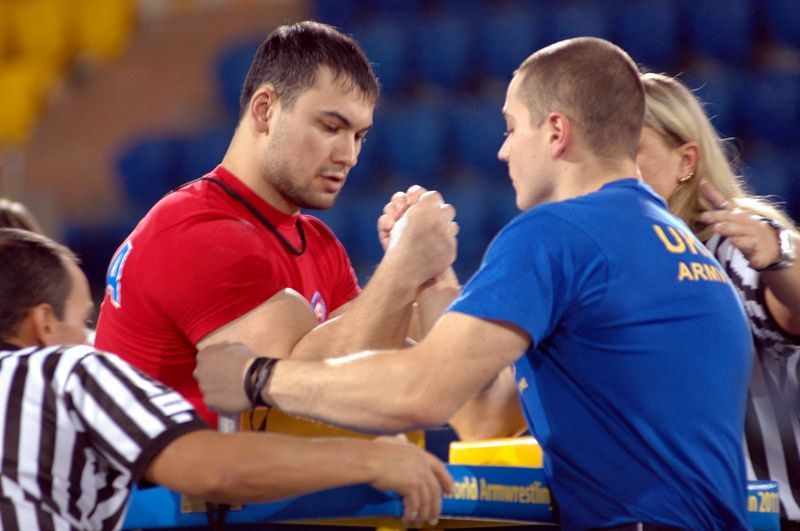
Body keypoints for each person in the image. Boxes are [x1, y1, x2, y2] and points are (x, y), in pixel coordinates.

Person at [194, 37, 755, 529]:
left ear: (556, 131)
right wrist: (435, 278)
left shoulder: (557, 234)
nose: (503, 150)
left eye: (512, 128)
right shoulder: (682, 249)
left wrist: (258, 376)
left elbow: (422, 393)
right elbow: (480, 415)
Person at [94, 20, 458, 425]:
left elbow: (388, 373)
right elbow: (301, 397)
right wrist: (404, 267)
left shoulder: (318, 242)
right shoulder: (195, 232)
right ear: (265, 110)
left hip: (260, 481)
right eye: (331, 127)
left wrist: (430, 272)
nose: (349, 155)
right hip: (165, 487)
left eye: (359, 136)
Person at [0, 227, 452, 530]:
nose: (89, 337)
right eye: (82, 320)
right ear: (43, 324)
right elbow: (211, 469)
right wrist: (372, 460)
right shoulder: (64, 368)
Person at [636, 72, 800, 526]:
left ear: (685, 160)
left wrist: (780, 259)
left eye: (631, 151)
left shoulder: (731, 243)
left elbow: (793, 311)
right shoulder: (602, 264)